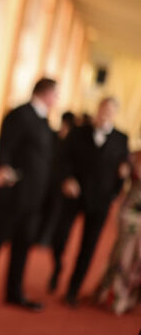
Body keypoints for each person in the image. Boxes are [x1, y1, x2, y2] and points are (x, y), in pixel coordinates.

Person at [0, 78, 57, 312]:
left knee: (22, 246)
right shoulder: (20, 114)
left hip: (32, 198)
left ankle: (14, 292)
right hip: (12, 196)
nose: (57, 100)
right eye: (56, 95)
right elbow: (4, 146)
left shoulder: (44, 120)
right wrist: (3, 168)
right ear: (46, 93)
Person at [48, 97, 130, 307]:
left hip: (100, 201)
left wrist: (115, 192)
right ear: (98, 109)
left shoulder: (121, 139)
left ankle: (72, 290)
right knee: (59, 237)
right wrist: (67, 179)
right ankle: (57, 266)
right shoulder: (78, 132)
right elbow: (62, 158)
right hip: (74, 195)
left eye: (110, 111)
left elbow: (122, 170)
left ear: (115, 114)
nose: (105, 114)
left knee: (88, 246)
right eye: (103, 109)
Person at [94, 149, 141, 315]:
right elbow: (119, 176)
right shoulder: (135, 156)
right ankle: (114, 295)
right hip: (130, 213)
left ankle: (131, 297)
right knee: (123, 255)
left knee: (138, 259)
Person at [38, 111, 76, 246]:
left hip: (58, 183)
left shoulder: (71, 142)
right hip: (46, 179)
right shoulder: (53, 136)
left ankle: (45, 238)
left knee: (53, 212)